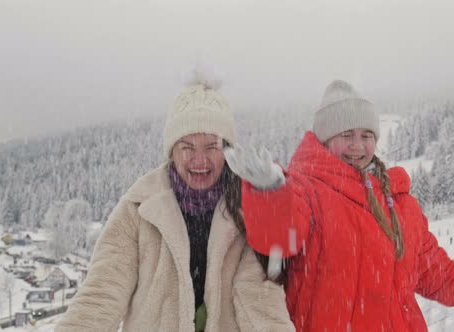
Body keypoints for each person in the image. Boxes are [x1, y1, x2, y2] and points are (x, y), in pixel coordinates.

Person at [224, 80, 454, 331]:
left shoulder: (400, 204)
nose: (358, 145)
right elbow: (279, 239)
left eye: (366, 135)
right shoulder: (305, 190)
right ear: (324, 139)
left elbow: (443, 277)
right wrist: (269, 193)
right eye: (346, 134)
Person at [56, 73, 294, 331]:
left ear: (227, 151)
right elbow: (102, 294)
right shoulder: (138, 209)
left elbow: (260, 298)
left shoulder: (245, 209)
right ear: (172, 151)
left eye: (211, 147)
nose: (199, 159)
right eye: (187, 147)